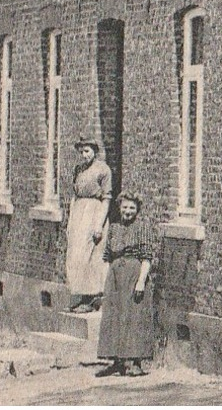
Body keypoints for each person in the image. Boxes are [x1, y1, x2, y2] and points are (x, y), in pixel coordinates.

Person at [95, 193, 157, 378]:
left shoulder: (142, 228)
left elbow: (146, 258)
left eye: (132, 208)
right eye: (125, 207)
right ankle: (116, 362)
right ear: (119, 207)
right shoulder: (113, 228)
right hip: (115, 276)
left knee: (134, 316)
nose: (128, 211)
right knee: (114, 315)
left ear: (137, 210)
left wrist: (141, 282)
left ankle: (135, 363)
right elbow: (107, 256)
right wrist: (104, 281)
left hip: (133, 274)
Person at [65, 139, 112, 313]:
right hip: (79, 212)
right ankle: (80, 295)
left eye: (87, 151)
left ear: (94, 151)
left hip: (94, 211)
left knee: (91, 254)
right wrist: (70, 221)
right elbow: (74, 196)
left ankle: (92, 298)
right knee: (76, 254)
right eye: (82, 152)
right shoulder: (78, 170)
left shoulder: (103, 170)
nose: (85, 155)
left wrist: (99, 224)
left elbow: (107, 198)